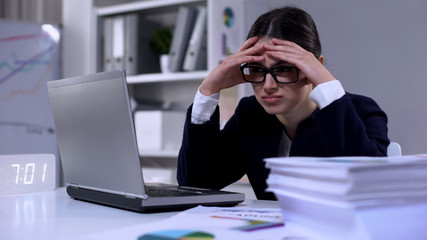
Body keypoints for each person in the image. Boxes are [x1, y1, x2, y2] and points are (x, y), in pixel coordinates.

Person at [177, 6, 389, 200]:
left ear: (315, 68)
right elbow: (195, 183)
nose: (268, 85)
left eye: (284, 68)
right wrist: (207, 91)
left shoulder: (362, 112)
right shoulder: (251, 114)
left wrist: (327, 84)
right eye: (258, 69)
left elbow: (370, 189)